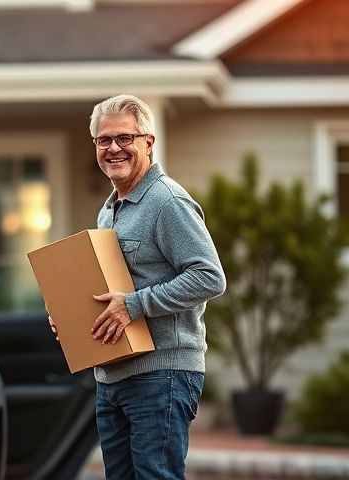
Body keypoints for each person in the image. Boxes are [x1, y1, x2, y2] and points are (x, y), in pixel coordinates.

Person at [48, 94, 226, 479]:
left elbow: (209, 277)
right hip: (113, 376)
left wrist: (134, 305)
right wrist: (70, 314)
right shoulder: (110, 208)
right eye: (103, 140)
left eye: (125, 138)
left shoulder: (167, 202)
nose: (113, 148)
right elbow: (111, 285)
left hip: (161, 375)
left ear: (148, 142)